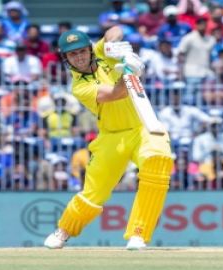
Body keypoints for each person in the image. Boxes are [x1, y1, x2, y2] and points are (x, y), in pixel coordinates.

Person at [43, 26, 173, 250]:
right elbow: (116, 93)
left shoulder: (102, 51)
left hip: (144, 127)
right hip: (111, 137)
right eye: (73, 54)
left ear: (90, 49)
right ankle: (64, 229)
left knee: (157, 162)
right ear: (66, 58)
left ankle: (138, 234)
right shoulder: (79, 86)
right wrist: (129, 71)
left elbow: (115, 29)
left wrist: (113, 45)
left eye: (82, 51)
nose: (80, 57)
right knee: (94, 193)